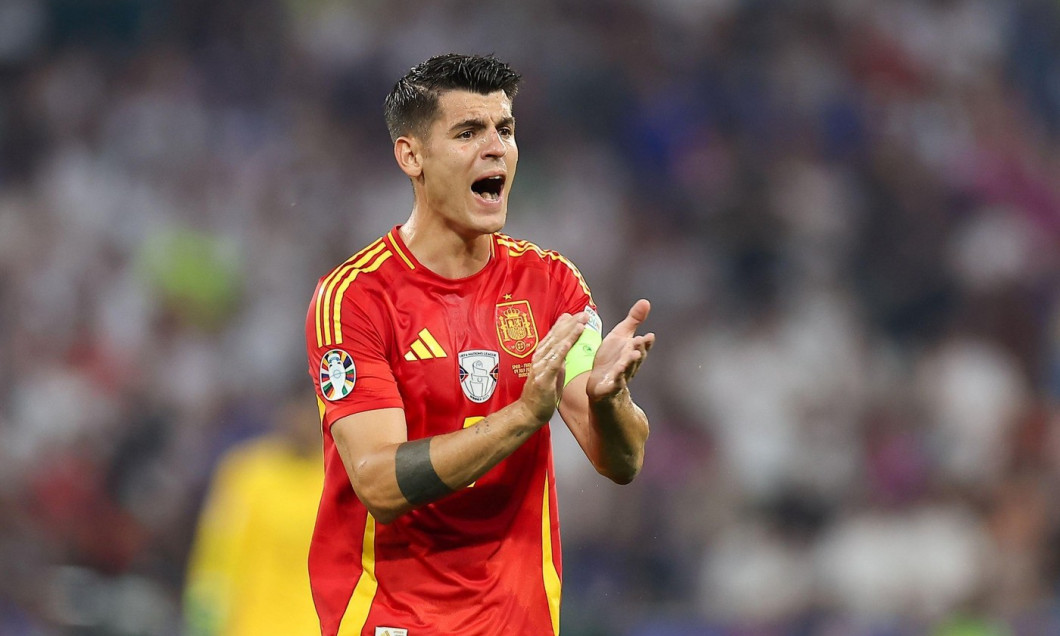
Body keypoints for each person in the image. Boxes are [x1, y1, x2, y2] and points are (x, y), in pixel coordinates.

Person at [304, 53, 655, 636]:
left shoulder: (551, 284)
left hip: (520, 618)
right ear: (411, 155)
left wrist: (608, 399)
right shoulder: (355, 297)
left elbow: (622, 462)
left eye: (506, 130)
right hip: (393, 616)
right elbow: (378, 483)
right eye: (468, 132)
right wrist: (522, 417)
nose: (496, 148)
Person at [183, 393, 323, 636]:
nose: (306, 421)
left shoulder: (339, 477)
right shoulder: (246, 471)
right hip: (245, 626)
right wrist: (202, 625)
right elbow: (216, 552)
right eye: (301, 410)